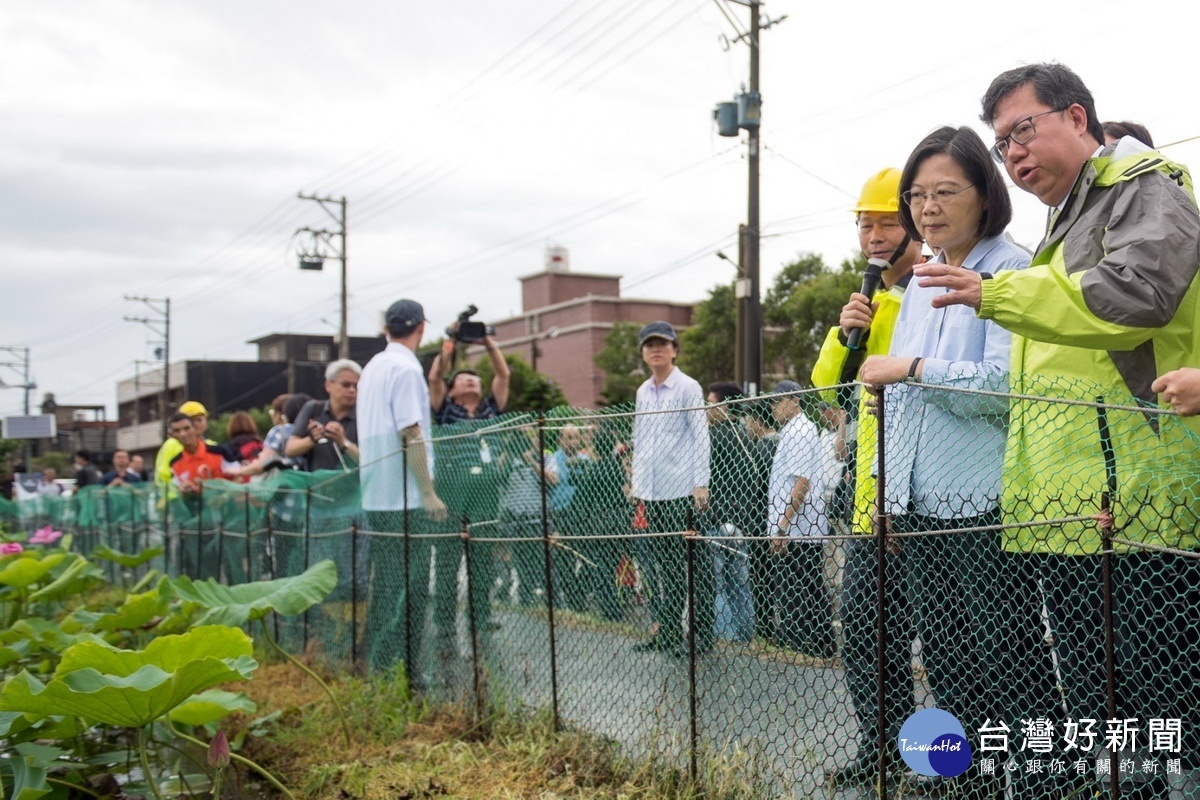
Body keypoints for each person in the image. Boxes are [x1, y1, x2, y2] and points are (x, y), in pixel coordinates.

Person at [918, 62, 1200, 797]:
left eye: (1024, 131)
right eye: (1002, 142)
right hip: (1074, 506)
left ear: (1078, 119)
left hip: (1134, 500)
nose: (1013, 154)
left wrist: (995, 291)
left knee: (1160, 701)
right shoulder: (1073, 214)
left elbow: (1136, 295)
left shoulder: (1145, 188)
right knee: (1114, 712)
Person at [858, 125, 1040, 794]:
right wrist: (888, 494)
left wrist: (912, 367)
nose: (926, 208)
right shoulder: (915, 284)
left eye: (943, 192)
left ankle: (1047, 783)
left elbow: (1006, 390)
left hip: (983, 506)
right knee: (946, 657)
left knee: (1006, 656)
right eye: (916, 195)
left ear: (985, 194)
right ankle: (973, 781)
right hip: (921, 507)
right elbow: (895, 403)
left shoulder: (1012, 270)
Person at [811, 167, 924, 786]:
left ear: (914, 222)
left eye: (885, 221)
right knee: (862, 634)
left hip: (930, 495)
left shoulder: (935, 288)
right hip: (869, 500)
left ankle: (944, 762)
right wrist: (845, 329)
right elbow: (828, 388)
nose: (874, 235)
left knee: (940, 642)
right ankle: (881, 748)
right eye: (865, 223)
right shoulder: (868, 300)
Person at [356, 299, 448, 679]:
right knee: (410, 590)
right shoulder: (407, 369)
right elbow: (411, 432)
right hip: (404, 497)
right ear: (421, 328)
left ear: (386, 329)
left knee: (387, 586)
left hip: (376, 492)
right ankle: (405, 670)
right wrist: (427, 491)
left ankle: (373, 663)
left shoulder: (373, 367)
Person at [628, 321, 711, 656]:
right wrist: (637, 484)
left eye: (663, 343)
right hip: (652, 493)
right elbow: (640, 438)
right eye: (649, 345)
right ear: (643, 353)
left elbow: (700, 436)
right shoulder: (642, 391)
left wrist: (700, 484)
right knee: (662, 568)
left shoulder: (688, 387)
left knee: (693, 568)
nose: (656, 349)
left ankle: (700, 637)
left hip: (682, 491)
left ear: (675, 349)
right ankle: (667, 633)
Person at [765, 381, 835, 659]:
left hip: (799, 526)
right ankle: (816, 641)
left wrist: (783, 525)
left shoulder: (800, 432)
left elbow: (801, 483)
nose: (773, 407)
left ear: (794, 401)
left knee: (801, 586)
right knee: (805, 584)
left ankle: (809, 642)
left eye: (777, 401)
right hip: (798, 525)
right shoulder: (795, 431)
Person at [702, 381, 758, 643]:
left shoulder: (713, 437)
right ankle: (746, 634)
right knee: (740, 585)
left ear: (724, 406)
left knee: (717, 584)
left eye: (710, 403)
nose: (706, 410)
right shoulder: (744, 435)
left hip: (716, 519)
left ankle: (725, 636)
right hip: (739, 520)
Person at [286, 360, 361, 471]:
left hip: (354, 487)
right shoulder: (313, 409)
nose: (352, 390)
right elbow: (290, 449)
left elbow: (369, 460)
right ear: (328, 385)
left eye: (356, 386)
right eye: (346, 385)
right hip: (318, 485)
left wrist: (343, 441)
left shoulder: (363, 415)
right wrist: (313, 439)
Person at [427, 329, 511, 424]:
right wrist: (451, 340)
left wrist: (488, 343)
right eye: (461, 379)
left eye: (475, 379)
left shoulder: (491, 408)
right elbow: (435, 378)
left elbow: (503, 375)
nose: (470, 380)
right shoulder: (445, 410)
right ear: (450, 392)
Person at [228, 393, 313, 478]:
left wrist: (238, 471)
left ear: (283, 414)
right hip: (317, 485)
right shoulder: (316, 431)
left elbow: (263, 464)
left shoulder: (279, 431)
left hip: (287, 486)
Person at [166, 413, 236, 494]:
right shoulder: (174, 463)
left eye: (187, 428)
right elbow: (179, 492)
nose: (183, 434)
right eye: (177, 431)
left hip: (227, 505)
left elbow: (240, 477)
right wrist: (186, 491)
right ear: (172, 435)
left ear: (195, 429)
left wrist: (224, 497)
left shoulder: (219, 451)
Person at [154, 400, 215, 490]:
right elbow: (164, 476)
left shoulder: (212, 446)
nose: (196, 424)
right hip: (177, 500)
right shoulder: (172, 444)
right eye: (192, 420)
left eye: (199, 420)